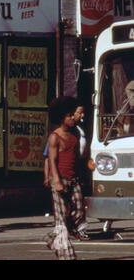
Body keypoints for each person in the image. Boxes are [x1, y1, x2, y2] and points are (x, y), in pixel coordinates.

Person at [44, 96, 89, 261]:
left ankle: (51, 238)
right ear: (61, 118)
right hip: (60, 179)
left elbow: (76, 158)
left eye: (73, 115)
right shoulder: (55, 137)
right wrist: (55, 181)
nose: (73, 118)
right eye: (69, 115)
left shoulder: (75, 135)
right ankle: (67, 256)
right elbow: (52, 161)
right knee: (61, 218)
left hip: (74, 178)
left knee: (79, 209)